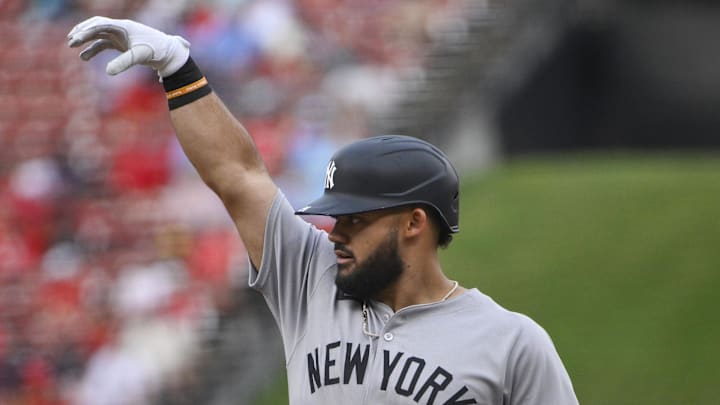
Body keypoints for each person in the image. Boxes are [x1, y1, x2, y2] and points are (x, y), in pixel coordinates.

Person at [67, 16, 579, 405]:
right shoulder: (312, 279)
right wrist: (178, 69)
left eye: (355, 221)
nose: (335, 233)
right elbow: (240, 178)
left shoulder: (513, 344)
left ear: (414, 223)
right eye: (336, 218)